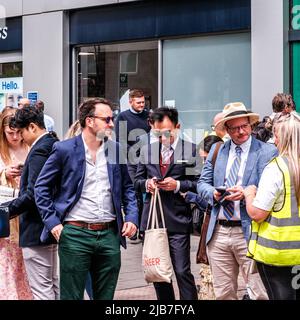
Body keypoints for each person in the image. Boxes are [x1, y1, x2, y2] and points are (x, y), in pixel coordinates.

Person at [34, 98, 138, 300]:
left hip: (109, 234)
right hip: (75, 234)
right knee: (72, 296)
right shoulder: (64, 149)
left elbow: (128, 188)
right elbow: (41, 187)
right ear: (89, 121)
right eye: (107, 119)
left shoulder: (116, 149)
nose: (111, 123)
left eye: (112, 118)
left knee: (105, 296)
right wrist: (53, 223)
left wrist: (132, 217)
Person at [197, 102, 278, 300]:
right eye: (235, 128)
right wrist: (214, 193)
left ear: (251, 125)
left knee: (260, 293)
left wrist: (247, 193)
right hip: (219, 232)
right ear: (226, 129)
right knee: (224, 294)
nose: (241, 132)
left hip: (250, 231)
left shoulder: (267, 151)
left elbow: (273, 189)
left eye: (245, 126)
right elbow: (202, 184)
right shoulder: (217, 150)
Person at [134, 107, 199, 300]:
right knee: (158, 273)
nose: (163, 137)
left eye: (168, 132)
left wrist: (178, 185)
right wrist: (148, 184)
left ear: (177, 127)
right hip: (153, 220)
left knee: (182, 271)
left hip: (178, 219)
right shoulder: (147, 151)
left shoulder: (190, 149)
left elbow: (198, 183)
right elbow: (137, 181)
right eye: (158, 132)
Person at [243, 112, 300, 300]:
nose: (274, 140)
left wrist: (249, 193)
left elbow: (257, 213)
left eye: (276, 135)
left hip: (277, 255)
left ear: (283, 138)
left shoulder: (276, 168)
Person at [7, 106, 59, 300]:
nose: (20, 137)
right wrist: (26, 168)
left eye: (21, 132)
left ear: (32, 127)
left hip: (36, 228)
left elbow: (33, 193)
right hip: (50, 226)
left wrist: (6, 209)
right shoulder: (53, 143)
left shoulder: (38, 151)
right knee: (53, 283)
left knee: (41, 288)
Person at [0, 107, 32, 300]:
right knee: (6, 260)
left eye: (18, 132)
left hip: (26, 215)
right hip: (5, 216)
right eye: (9, 133)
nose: (14, 136)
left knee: (26, 260)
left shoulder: (30, 148)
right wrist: (4, 174)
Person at [115, 89, 151, 241]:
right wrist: (135, 152)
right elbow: (121, 141)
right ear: (130, 102)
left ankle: (144, 227)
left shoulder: (148, 115)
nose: (142, 105)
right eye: (138, 102)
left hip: (147, 159)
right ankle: (134, 226)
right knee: (135, 192)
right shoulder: (122, 117)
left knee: (145, 192)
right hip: (131, 160)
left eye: (143, 102)